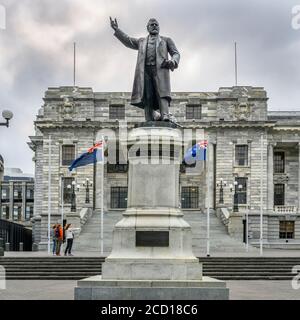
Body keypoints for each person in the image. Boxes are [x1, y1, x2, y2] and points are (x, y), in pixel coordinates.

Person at [110, 17, 180, 122]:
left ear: (159, 27)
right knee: (147, 95)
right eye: (152, 25)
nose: (154, 26)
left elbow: (176, 53)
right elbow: (128, 41)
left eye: (156, 25)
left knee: (162, 93)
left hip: (160, 70)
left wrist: (173, 61)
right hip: (145, 71)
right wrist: (117, 30)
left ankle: (165, 115)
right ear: (147, 28)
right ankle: (149, 118)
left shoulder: (166, 40)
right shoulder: (141, 41)